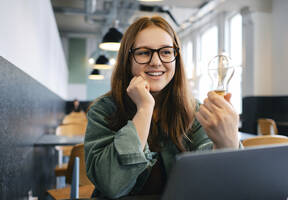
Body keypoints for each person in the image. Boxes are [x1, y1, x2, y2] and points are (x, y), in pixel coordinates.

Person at [84, 16, 240, 199]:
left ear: (176, 58)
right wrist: (144, 109)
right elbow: (111, 184)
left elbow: (214, 184)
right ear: (128, 60)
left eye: (166, 52)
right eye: (143, 53)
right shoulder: (103, 110)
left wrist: (227, 144)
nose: (156, 62)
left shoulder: (195, 111)